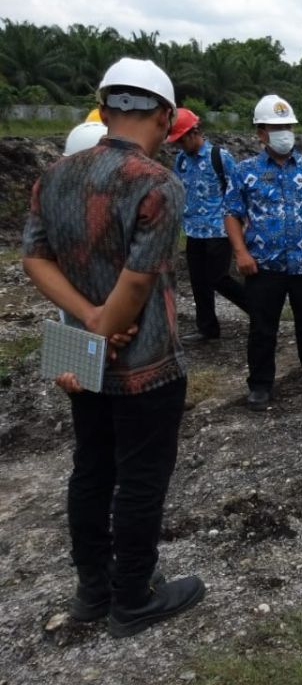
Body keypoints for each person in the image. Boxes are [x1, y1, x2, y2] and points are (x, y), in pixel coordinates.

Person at [21, 58, 206, 638]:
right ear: (164, 114)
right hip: (144, 362)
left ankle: (92, 592)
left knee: (91, 470)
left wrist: (84, 323)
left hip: (79, 351)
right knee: (142, 477)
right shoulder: (155, 182)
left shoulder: (54, 175)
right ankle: (133, 597)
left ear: (105, 107)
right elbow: (138, 278)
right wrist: (106, 324)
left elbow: (35, 258)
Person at [224, 94, 302, 410]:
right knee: (263, 329)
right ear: (261, 133)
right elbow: (231, 213)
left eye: (287, 125)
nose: (283, 132)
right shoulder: (244, 170)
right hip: (263, 267)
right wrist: (240, 253)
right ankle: (260, 385)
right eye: (275, 127)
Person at [168, 107, 248, 342]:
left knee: (217, 277)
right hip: (193, 230)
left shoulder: (219, 157)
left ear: (195, 132)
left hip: (219, 229)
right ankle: (207, 329)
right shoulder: (181, 160)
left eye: (182, 140)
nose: (180, 146)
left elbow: (236, 190)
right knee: (198, 281)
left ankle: (259, 310)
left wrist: (242, 221)